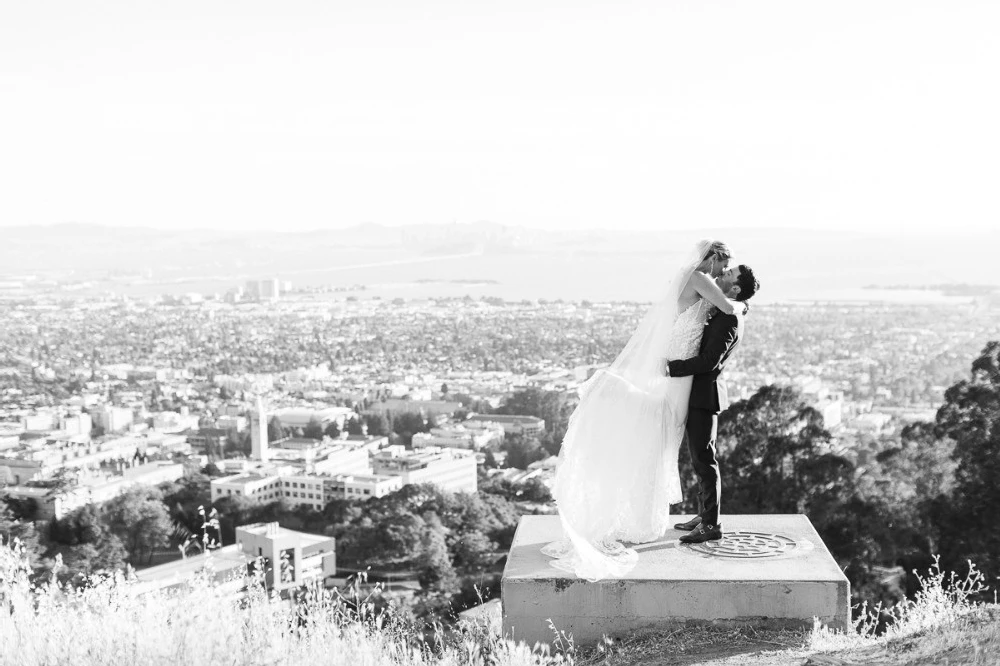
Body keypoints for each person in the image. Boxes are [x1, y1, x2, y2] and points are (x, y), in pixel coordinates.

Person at [541, 239, 745, 581]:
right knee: (666, 423)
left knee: (664, 425)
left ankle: (613, 394)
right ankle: (610, 391)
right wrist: (743, 307)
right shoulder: (700, 277)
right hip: (681, 367)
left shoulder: (685, 277)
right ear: (713, 258)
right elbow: (727, 308)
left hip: (679, 361)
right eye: (723, 265)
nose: (723, 272)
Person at [668, 264, 760, 544]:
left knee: (705, 461)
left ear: (734, 289)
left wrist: (670, 368)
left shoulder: (728, 320)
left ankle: (711, 525)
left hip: (704, 397)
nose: (719, 276)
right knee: (700, 459)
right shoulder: (726, 311)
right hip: (699, 393)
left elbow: (710, 361)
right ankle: (704, 515)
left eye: (727, 275)